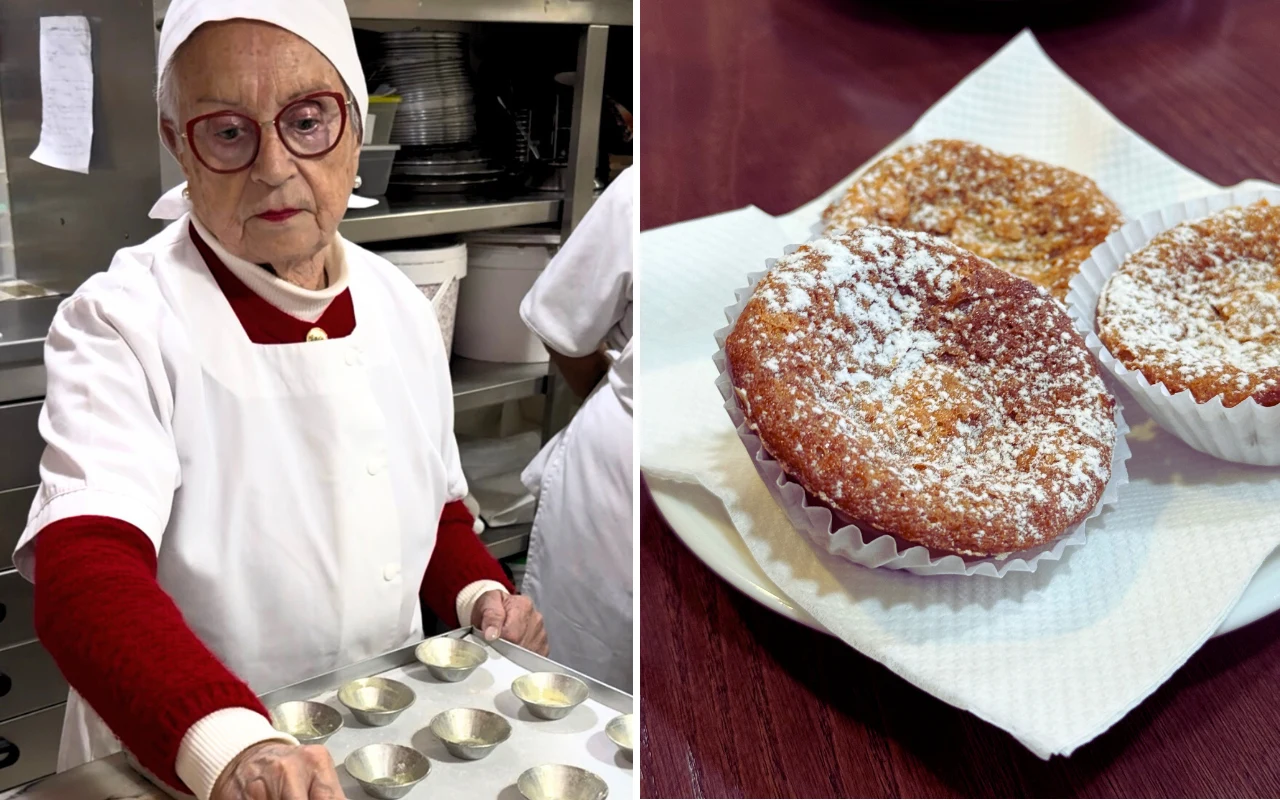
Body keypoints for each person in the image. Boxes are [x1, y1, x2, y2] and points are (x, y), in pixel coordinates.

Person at [13, 2, 546, 798]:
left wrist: (477, 595)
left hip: (378, 737)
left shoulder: (398, 304)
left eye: (307, 120)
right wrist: (231, 749)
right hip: (179, 757)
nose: (272, 166)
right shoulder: (121, 320)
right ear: (177, 145)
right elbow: (84, 573)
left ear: (356, 128)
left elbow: (431, 511)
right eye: (228, 131)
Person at [519, 168, 634, 692]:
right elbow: (564, 328)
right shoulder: (645, 188)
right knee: (573, 694)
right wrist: (600, 398)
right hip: (619, 491)